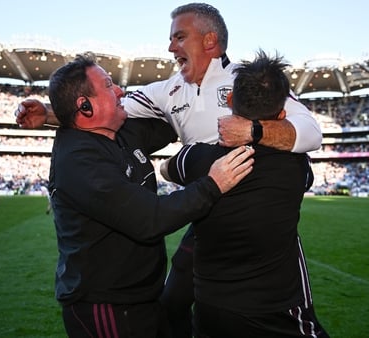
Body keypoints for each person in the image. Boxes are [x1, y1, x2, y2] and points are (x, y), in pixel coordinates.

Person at [14, 3, 322, 336]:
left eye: (179, 37)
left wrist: (254, 131)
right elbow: (106, 111)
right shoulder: (167, 90)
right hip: (206, 207)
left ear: (210, 42)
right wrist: (48, 112)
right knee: (176, 300)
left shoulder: (249, 81)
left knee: (271, 300)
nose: (170, 47)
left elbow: (311, 130)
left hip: (254, 208)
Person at [46, 53, 254, 338]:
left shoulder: (118, 133)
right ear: (85, 106)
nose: (121, 91)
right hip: (107, 308)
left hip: (143, 299)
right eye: (108, 86)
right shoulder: (79, 161)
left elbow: (178, 117)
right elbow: (150, 219)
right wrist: (214, 183)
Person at [160, 50, 329, 338]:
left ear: (229, 101)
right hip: (276, 309)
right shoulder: (296, 166)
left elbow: (166, 169)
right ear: (282, 114)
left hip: (210, 308)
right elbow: (306, 150)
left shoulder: (196, 159)